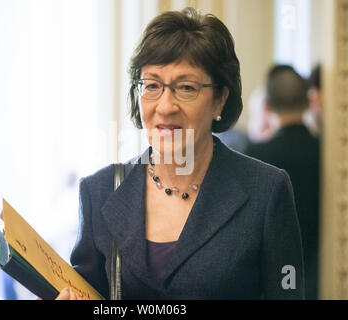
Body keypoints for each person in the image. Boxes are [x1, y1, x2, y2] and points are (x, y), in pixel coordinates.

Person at [56, 8, 304, 300]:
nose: (165, 106)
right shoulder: (98, 191)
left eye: (186, 88)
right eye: (151, 86)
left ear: (219, 100)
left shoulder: (266, 190)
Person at [244, 65, 320, 300]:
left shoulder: (256, 155)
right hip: (319, 269)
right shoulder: (327, 154)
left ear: (266, 106)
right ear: (308, 102)